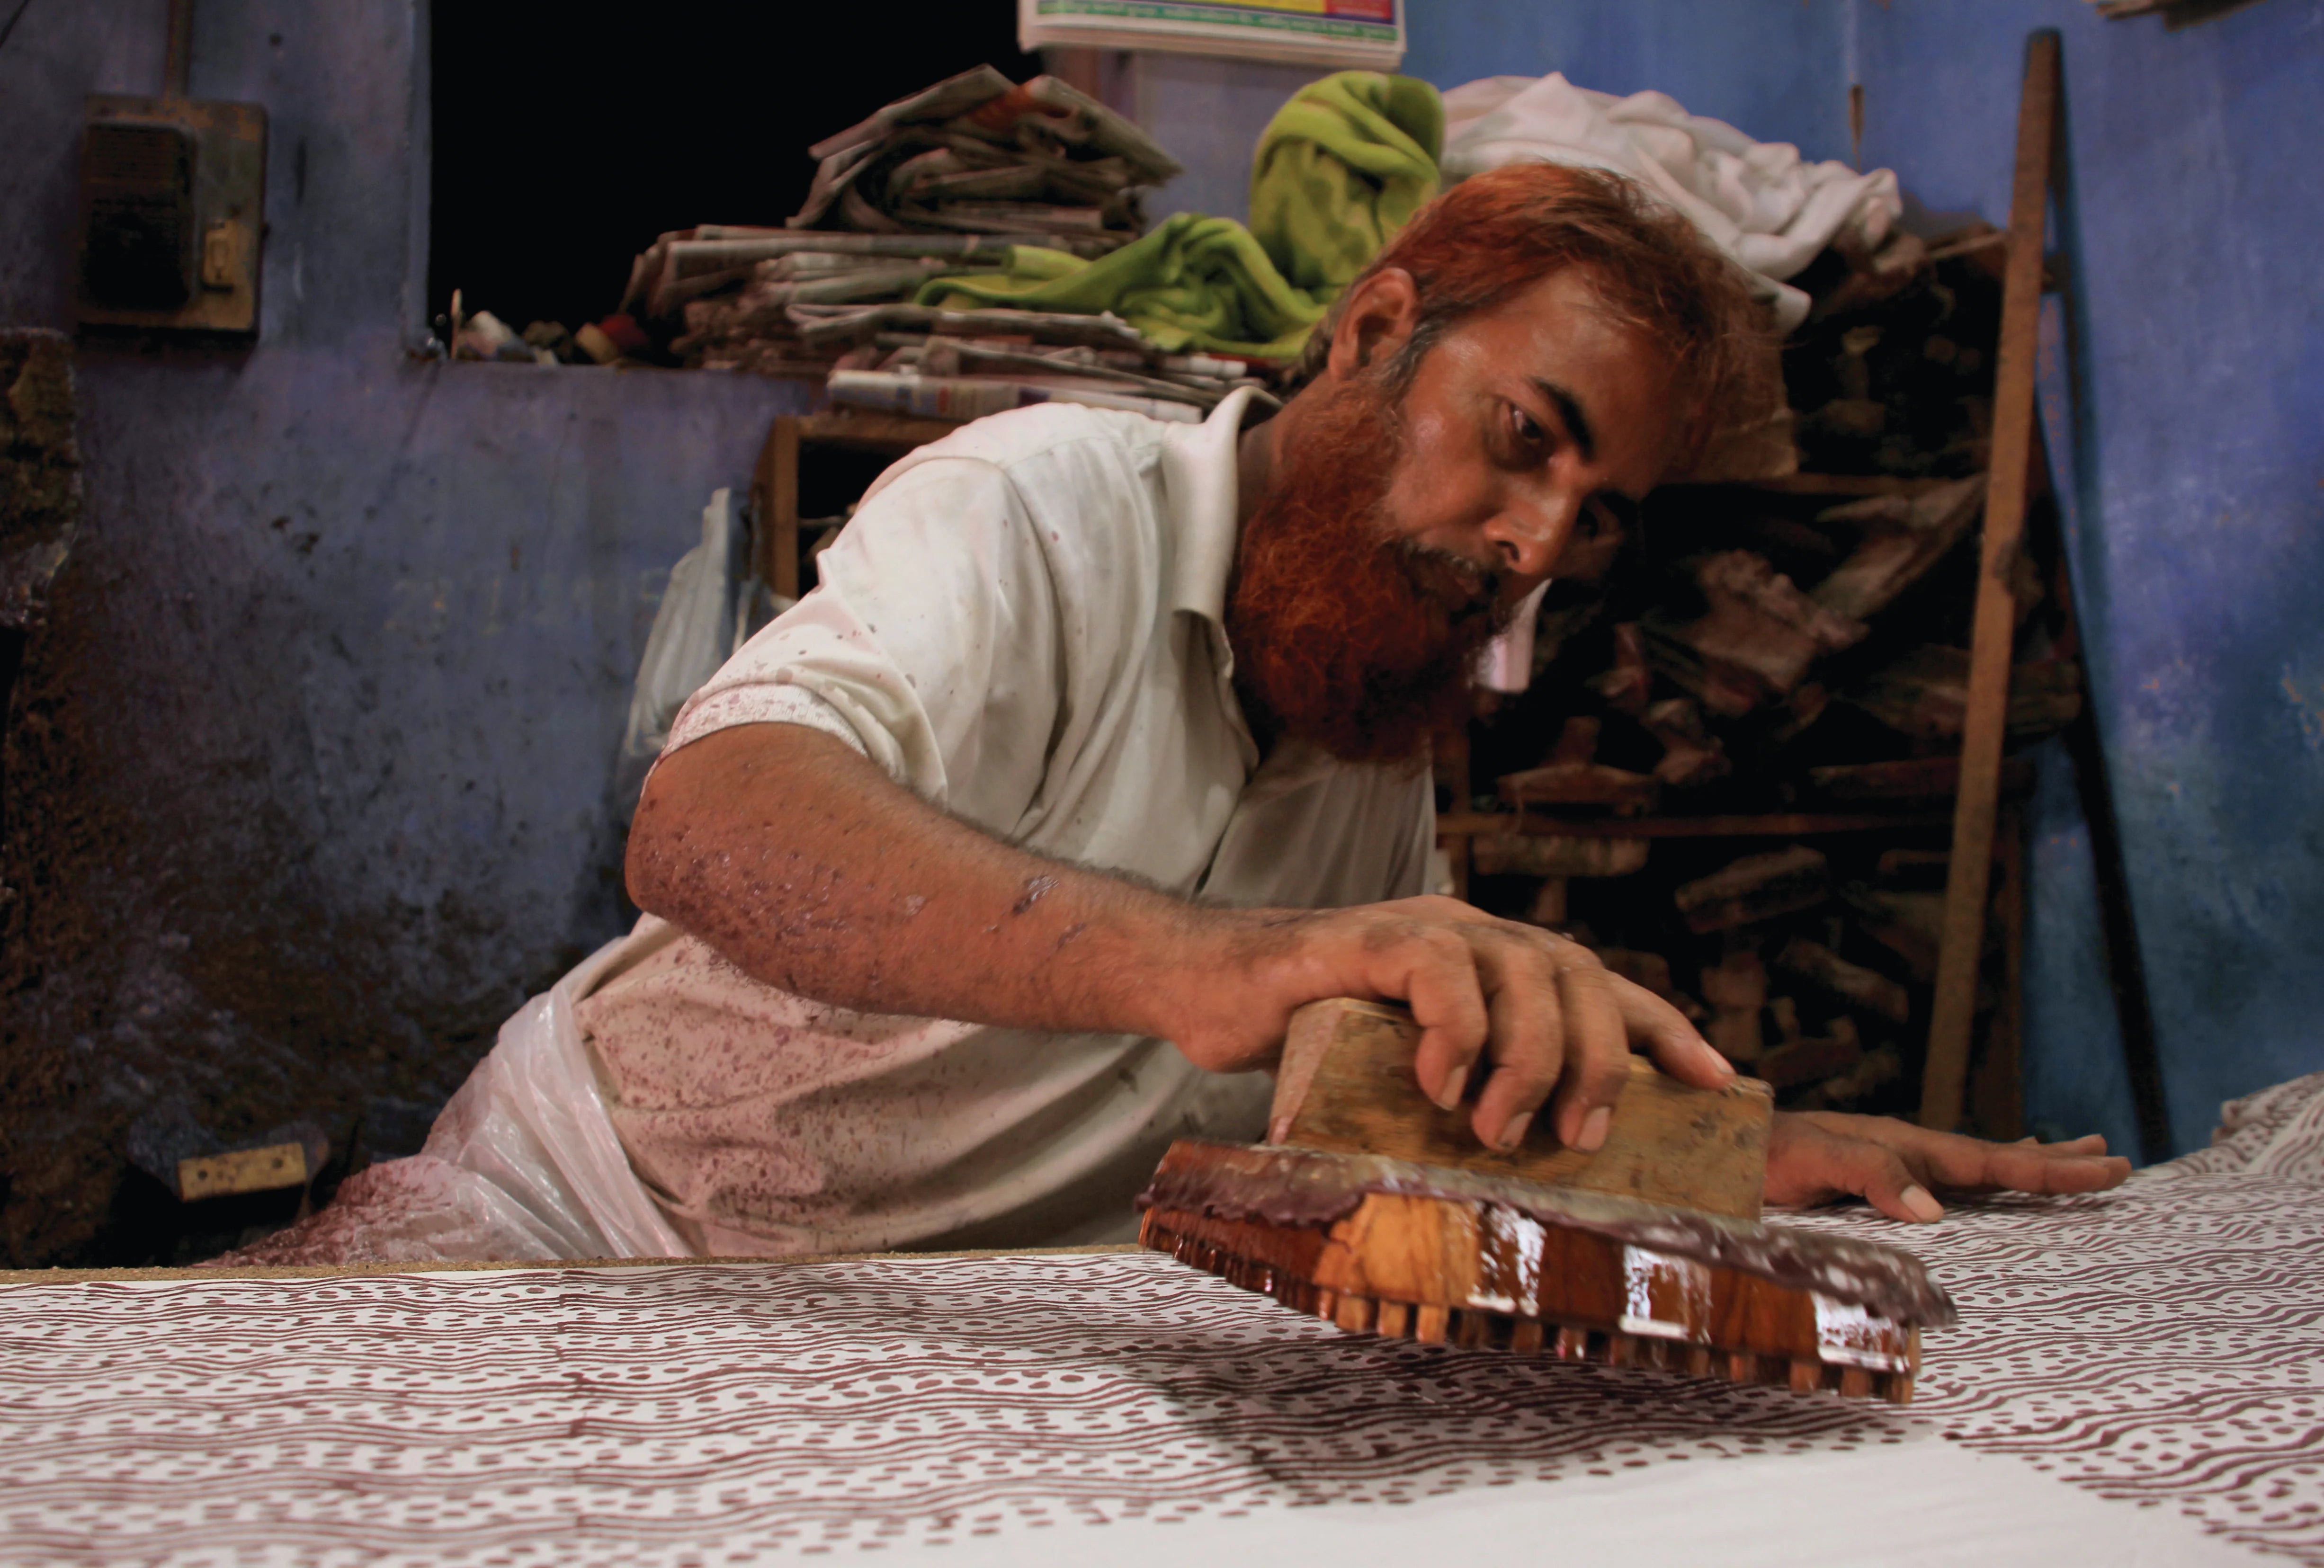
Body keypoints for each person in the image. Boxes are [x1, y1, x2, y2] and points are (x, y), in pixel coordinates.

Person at [563, 163, 2132, 1257]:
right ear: (1375, 334)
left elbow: (1372, 1097)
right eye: (1523, 437)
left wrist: (1715, 1157)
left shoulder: (1372, 709)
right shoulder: (1039, 504)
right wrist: (1226, 961)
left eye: (1593, 513)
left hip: (971, 1318)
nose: (1537, 545)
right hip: (614, 1205)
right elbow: (706, 823)